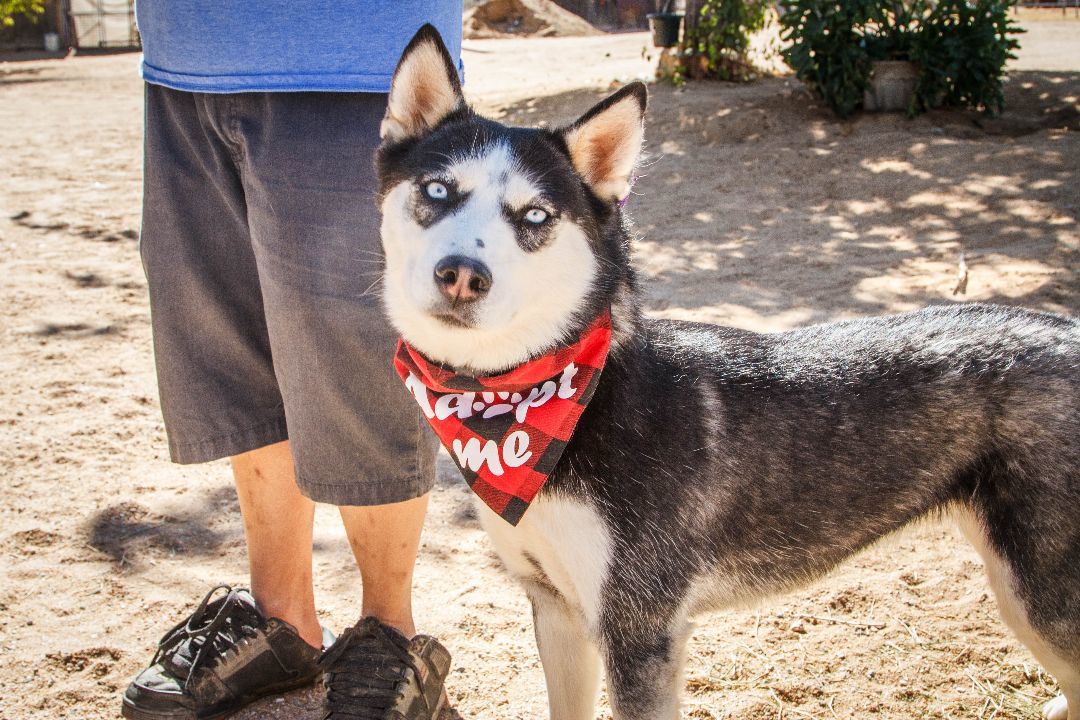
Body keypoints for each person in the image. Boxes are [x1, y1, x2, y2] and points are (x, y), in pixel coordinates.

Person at [121, 5, 462, 720]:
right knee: (229, 339)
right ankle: (284, 623)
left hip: (353, 60)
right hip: (184, 66)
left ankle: (387, 636)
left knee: (357, 345)